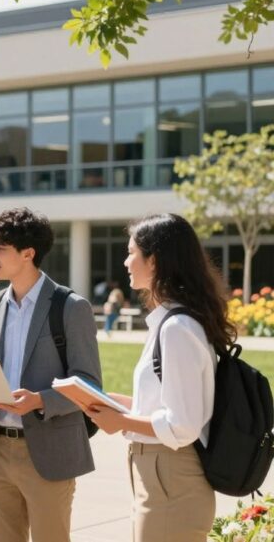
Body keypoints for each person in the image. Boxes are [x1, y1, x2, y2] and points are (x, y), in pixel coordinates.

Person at [84, 213, 227, 541]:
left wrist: (121, 422)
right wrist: (111, 404)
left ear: (155, 261)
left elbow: (182, 426)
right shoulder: (170, 324)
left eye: (132, 252)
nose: (126, 261)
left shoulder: (178, 328)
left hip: (171, 479)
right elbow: (167, 406)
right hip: (159, 477)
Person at [0, 207, 102, 542]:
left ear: (28, 253)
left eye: (0, 248)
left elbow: (89, 385)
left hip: (49, 451)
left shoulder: (71, 307)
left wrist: (40, 400)